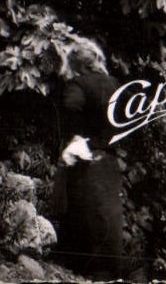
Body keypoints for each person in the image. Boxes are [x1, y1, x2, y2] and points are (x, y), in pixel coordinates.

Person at [52, 37, 128, 279]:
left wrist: (75, 138)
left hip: (85, 161)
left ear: (75, 64)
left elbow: (71, 108)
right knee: (107, 218)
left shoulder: (78, 85)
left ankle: (87, 274)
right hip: (109, 162)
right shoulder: (115, 84)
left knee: (84, 217)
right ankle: (110, 272)